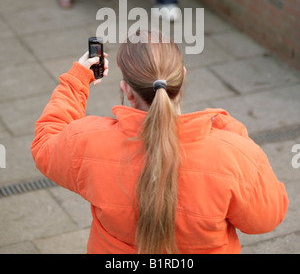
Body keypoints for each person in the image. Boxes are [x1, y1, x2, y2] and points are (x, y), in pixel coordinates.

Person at [31, 30, 288, 254]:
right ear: (183, 77)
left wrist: (77, 81)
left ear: (127, 90)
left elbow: (46, 142)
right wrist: (232, 132)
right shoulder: (233, 155)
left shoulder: (87, 142)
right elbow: (266, 219)